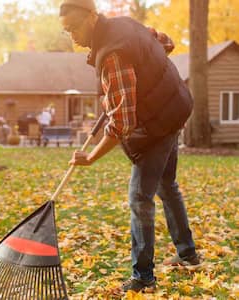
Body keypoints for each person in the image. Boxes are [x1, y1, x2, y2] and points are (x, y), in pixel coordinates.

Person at [59, 0, 200, 294]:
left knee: (139, 197)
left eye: (74, 27)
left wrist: (91, 157)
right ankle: (188, 254)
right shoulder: (125, 24)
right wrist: (141, 71)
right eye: (66, 31)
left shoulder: (112, 55)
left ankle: (143, 276)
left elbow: (123, 123)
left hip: (159, 122)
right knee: (166, 184)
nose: (72, 36)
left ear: (93, 18)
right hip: (176, 106)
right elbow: (165, 42)